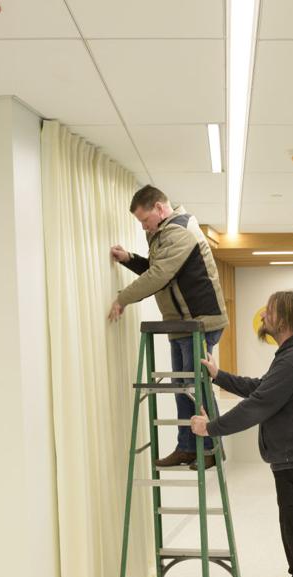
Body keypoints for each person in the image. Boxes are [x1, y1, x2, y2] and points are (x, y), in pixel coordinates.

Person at [190, 290, 293, 577]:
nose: (263, 316)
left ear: (283, 319)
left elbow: (257, 405)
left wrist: (211, 428)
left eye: (269, 311)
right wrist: (220, 375)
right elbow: (262, 388)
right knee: (292, 528)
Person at [109, 185, 228, 470]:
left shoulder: (180, 231)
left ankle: (211, 449)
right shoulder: (162, 232)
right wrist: (129, 259)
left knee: (195, 387)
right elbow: (157, 268)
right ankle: (187, 447)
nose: (143, 226)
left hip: (200, 322)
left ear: (160, 208)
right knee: (182, 387)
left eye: (144, 219)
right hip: (182, 323)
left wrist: (122, 299)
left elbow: (159, 275)